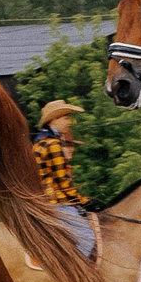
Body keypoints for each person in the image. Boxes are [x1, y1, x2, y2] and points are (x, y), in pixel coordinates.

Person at [33, 101, 99, 257]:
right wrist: (84, 201)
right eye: (66, 118)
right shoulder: (53, 144)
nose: (70, 122)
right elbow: (62, 181)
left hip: (44, 199)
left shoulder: (40, 142)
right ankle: (74, 271)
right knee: (86, 238)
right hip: (56, 202)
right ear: (53, 120)